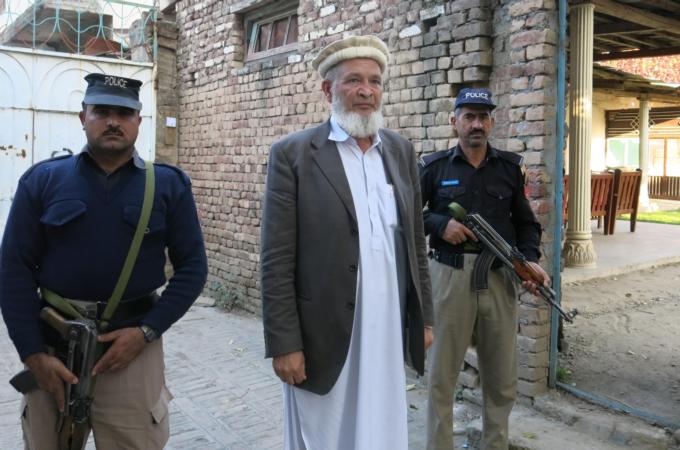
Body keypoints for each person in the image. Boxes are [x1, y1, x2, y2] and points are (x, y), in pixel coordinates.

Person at [0, 73, 208, 450]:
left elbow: (193, 268)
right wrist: (32, 353)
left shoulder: (168, 185)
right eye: (102, 111)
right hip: (53, 350)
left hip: (130, 354)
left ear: (139, 121)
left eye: (124, 113)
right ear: (83, 117)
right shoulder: (42, 180)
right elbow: (13, 270)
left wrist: (147, 332)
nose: (113, 121)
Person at [260, 35, 433, 450]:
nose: (366, 91)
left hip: (386, 325)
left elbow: (414, 243)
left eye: (374, 81)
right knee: (325, 433)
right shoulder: (294, 154)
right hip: (324, 332)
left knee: (381, 427)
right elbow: (276, 259)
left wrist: (424, 317)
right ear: (328, 90)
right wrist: (285, 344)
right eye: (353, 80)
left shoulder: (400, 151)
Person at [420, 88, 550, 450]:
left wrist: (529, 261)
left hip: (499, 276)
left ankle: (495, 445)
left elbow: (526, 224)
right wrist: (440, 225)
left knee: (501, 379)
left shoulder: (509, 168)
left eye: (483, 117)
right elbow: (407, 214)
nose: (476, 124)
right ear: (454, 121)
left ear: (492, 121)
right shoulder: (433, 167)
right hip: (449, 276)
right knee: (442, 377)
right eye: (469, 116)